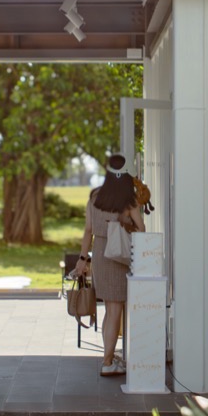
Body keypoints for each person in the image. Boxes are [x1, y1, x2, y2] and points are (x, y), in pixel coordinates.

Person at [69, 155, 145, 377]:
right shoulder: (128, 201)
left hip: (100, 255)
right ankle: (108, 362)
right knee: (115, 310)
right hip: (118, 255)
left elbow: (88, 230)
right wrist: (126, 222)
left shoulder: (94, 196)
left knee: (109, 310)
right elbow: (141, 229)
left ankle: (108, 357)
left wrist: (83, 260)